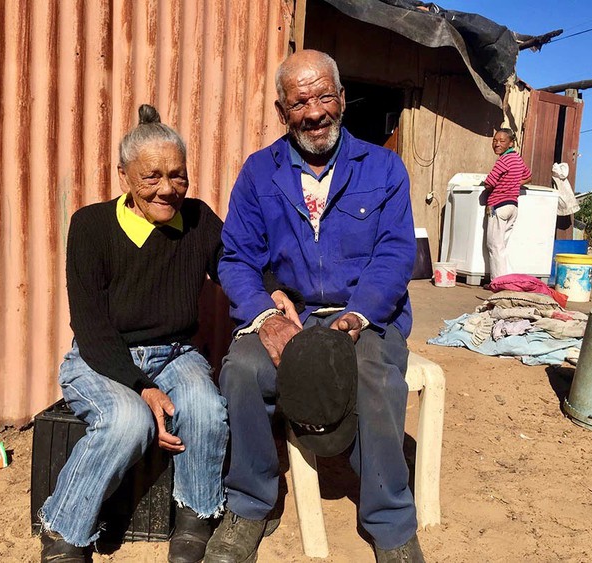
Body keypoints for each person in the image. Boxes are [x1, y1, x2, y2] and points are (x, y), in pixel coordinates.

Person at [38, 104, 297, 563]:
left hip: (176, 353)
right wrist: (142, 388)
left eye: (178, 176)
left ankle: (194, 521)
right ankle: (64, 531)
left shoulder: (197, 219)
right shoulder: (91, 226)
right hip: (105, 356)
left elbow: (235, 265)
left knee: (203, 407)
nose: (167, 189)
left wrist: (271, 296)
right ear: (124, 176)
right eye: (151, 176)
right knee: (128, 422)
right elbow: (92, 326)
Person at [206, 50, 424, 563]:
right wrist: (265, 316)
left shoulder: (385, 167)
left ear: (342, 99)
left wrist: (358, 313)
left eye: (325, 96)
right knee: (241, 370)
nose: (315, 111)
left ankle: (391, 523)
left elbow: (395, 254)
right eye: (300, 101)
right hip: (294, 316)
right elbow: (236, 257)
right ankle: (250, 505)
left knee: (375, 376)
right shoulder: (259, 173)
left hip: (364, 315)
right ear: (283, 112)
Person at [483, 128, 532, 280]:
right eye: (495, 141)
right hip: (512, 206)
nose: (497, 144)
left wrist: (496, 186)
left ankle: (497, 281)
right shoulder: (517, 159)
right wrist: (513, 184)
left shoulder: (503, 161)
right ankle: (506, 278)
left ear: (511, 143)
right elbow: (528, 176)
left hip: (498, 206)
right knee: (502, 246)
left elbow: (489, 183)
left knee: (494, 246)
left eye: (502, 141)